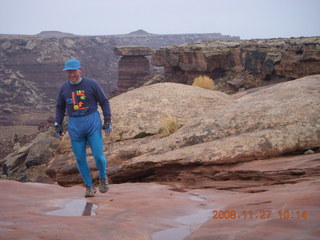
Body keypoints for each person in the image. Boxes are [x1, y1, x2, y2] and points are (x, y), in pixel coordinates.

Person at [54, 58, 112, 197]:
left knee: (98, 156)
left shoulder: (91, 84)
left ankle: (103, 178)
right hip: (75, 125)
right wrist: (58, 126)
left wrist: (107, 121)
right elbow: (60, 108)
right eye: (69, 72)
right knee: (80, 159)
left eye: (73, 71)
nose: (71, 75)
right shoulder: (64, 88)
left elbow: (103, 101)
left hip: (92, 122)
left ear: (80, 70)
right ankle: (89, 186)